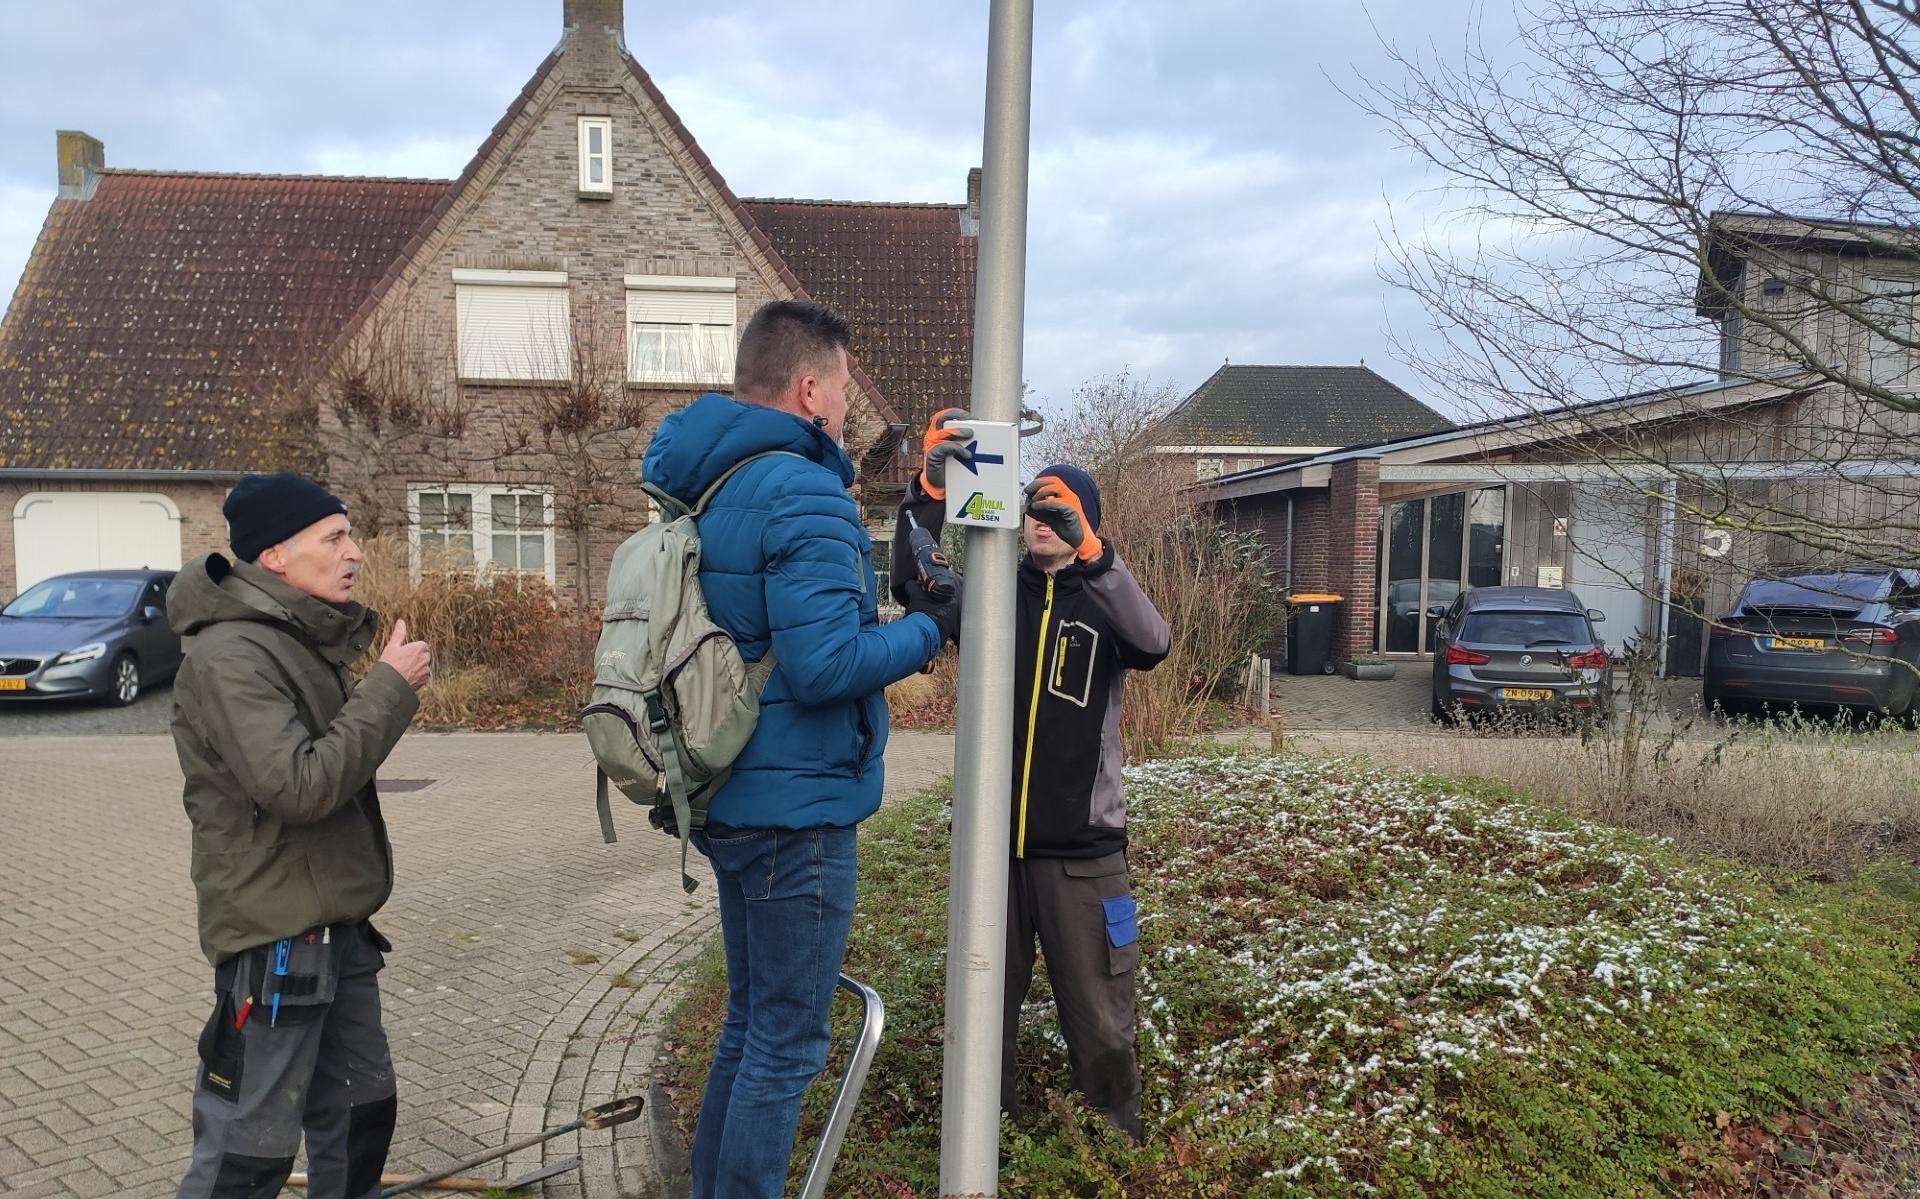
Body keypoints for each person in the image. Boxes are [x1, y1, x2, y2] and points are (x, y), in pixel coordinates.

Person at [641, 300, 961, 1198]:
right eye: (847, 387)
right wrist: (932, 628)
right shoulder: (803, 488)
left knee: (751, 1027)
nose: (850, 405)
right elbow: (826, 665)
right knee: (786, 1045)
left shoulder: (706, 483)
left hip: (730, 792)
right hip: (799, 808)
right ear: (812, 387)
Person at [892, 410, 1171, 1143]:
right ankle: (989, 1146)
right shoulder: (991, 593)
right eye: (1035, 505)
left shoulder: (1105, 600)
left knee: (1104, 1018)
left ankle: (1115, 1147)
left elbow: (1154, 642)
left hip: (1085, 858)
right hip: (993, 858)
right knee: (982, 1016)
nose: (1041, 516)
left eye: (1060, 508)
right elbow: (913, 585)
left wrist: (1096, 555)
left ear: (1085, 525)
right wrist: (927, 490)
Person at [169, 472, 433, 1199]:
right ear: (276, 555)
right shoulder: (231, 656)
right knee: (248, 1149)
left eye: (350, 535)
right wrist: (388, 688)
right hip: (275, 937)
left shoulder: (299, 637)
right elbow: (299, 785)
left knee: (361, 1111)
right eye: (334, 537)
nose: (354, 552)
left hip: (337, 929)